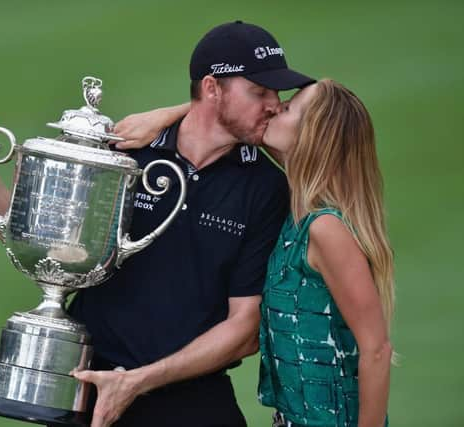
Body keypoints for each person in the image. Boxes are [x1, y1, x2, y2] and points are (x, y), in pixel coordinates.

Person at [0, 21, 315, 427]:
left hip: (189, 395)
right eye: (259, 92)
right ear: (212, 88)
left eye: (277, 94)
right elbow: (49, 245)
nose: (276, 104)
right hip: (89, 385)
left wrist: (139, 381)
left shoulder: (266, 188)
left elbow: (244, 329)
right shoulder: (126, 153)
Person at [116, 80, 395, 427]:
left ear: (313, 136)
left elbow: (377, 350)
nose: (276, 108)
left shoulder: (326, 229)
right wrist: (168, 115)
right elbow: (228, 121)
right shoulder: (297, 214)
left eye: (290, 108)